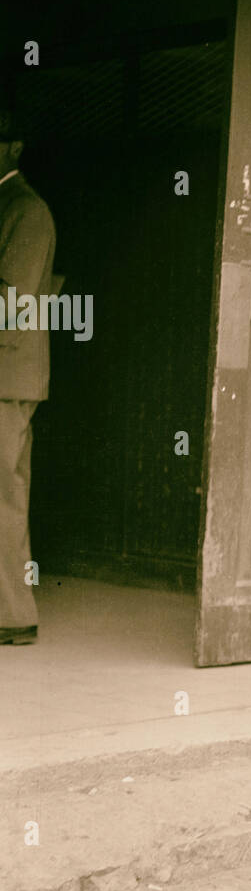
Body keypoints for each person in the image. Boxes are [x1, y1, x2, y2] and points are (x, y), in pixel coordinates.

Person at [0, 107, 56, 645]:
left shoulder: (25, 209)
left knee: (2, 497)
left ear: (14, 147)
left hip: (5, 378)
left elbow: (10, 303)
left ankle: (13, 616)